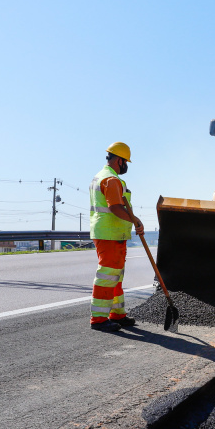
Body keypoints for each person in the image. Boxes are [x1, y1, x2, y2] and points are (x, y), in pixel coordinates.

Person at [88, 142, 144, 332]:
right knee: (107, 276)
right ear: (119, 160)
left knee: (115, 277)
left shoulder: (101, 177)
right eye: (125, 162)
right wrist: (135, 220)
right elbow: (115, 207)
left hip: (110, 233)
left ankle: (117, 314)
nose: (126, 166)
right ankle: (98, 319)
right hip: (110, 234)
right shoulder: (111, 180)